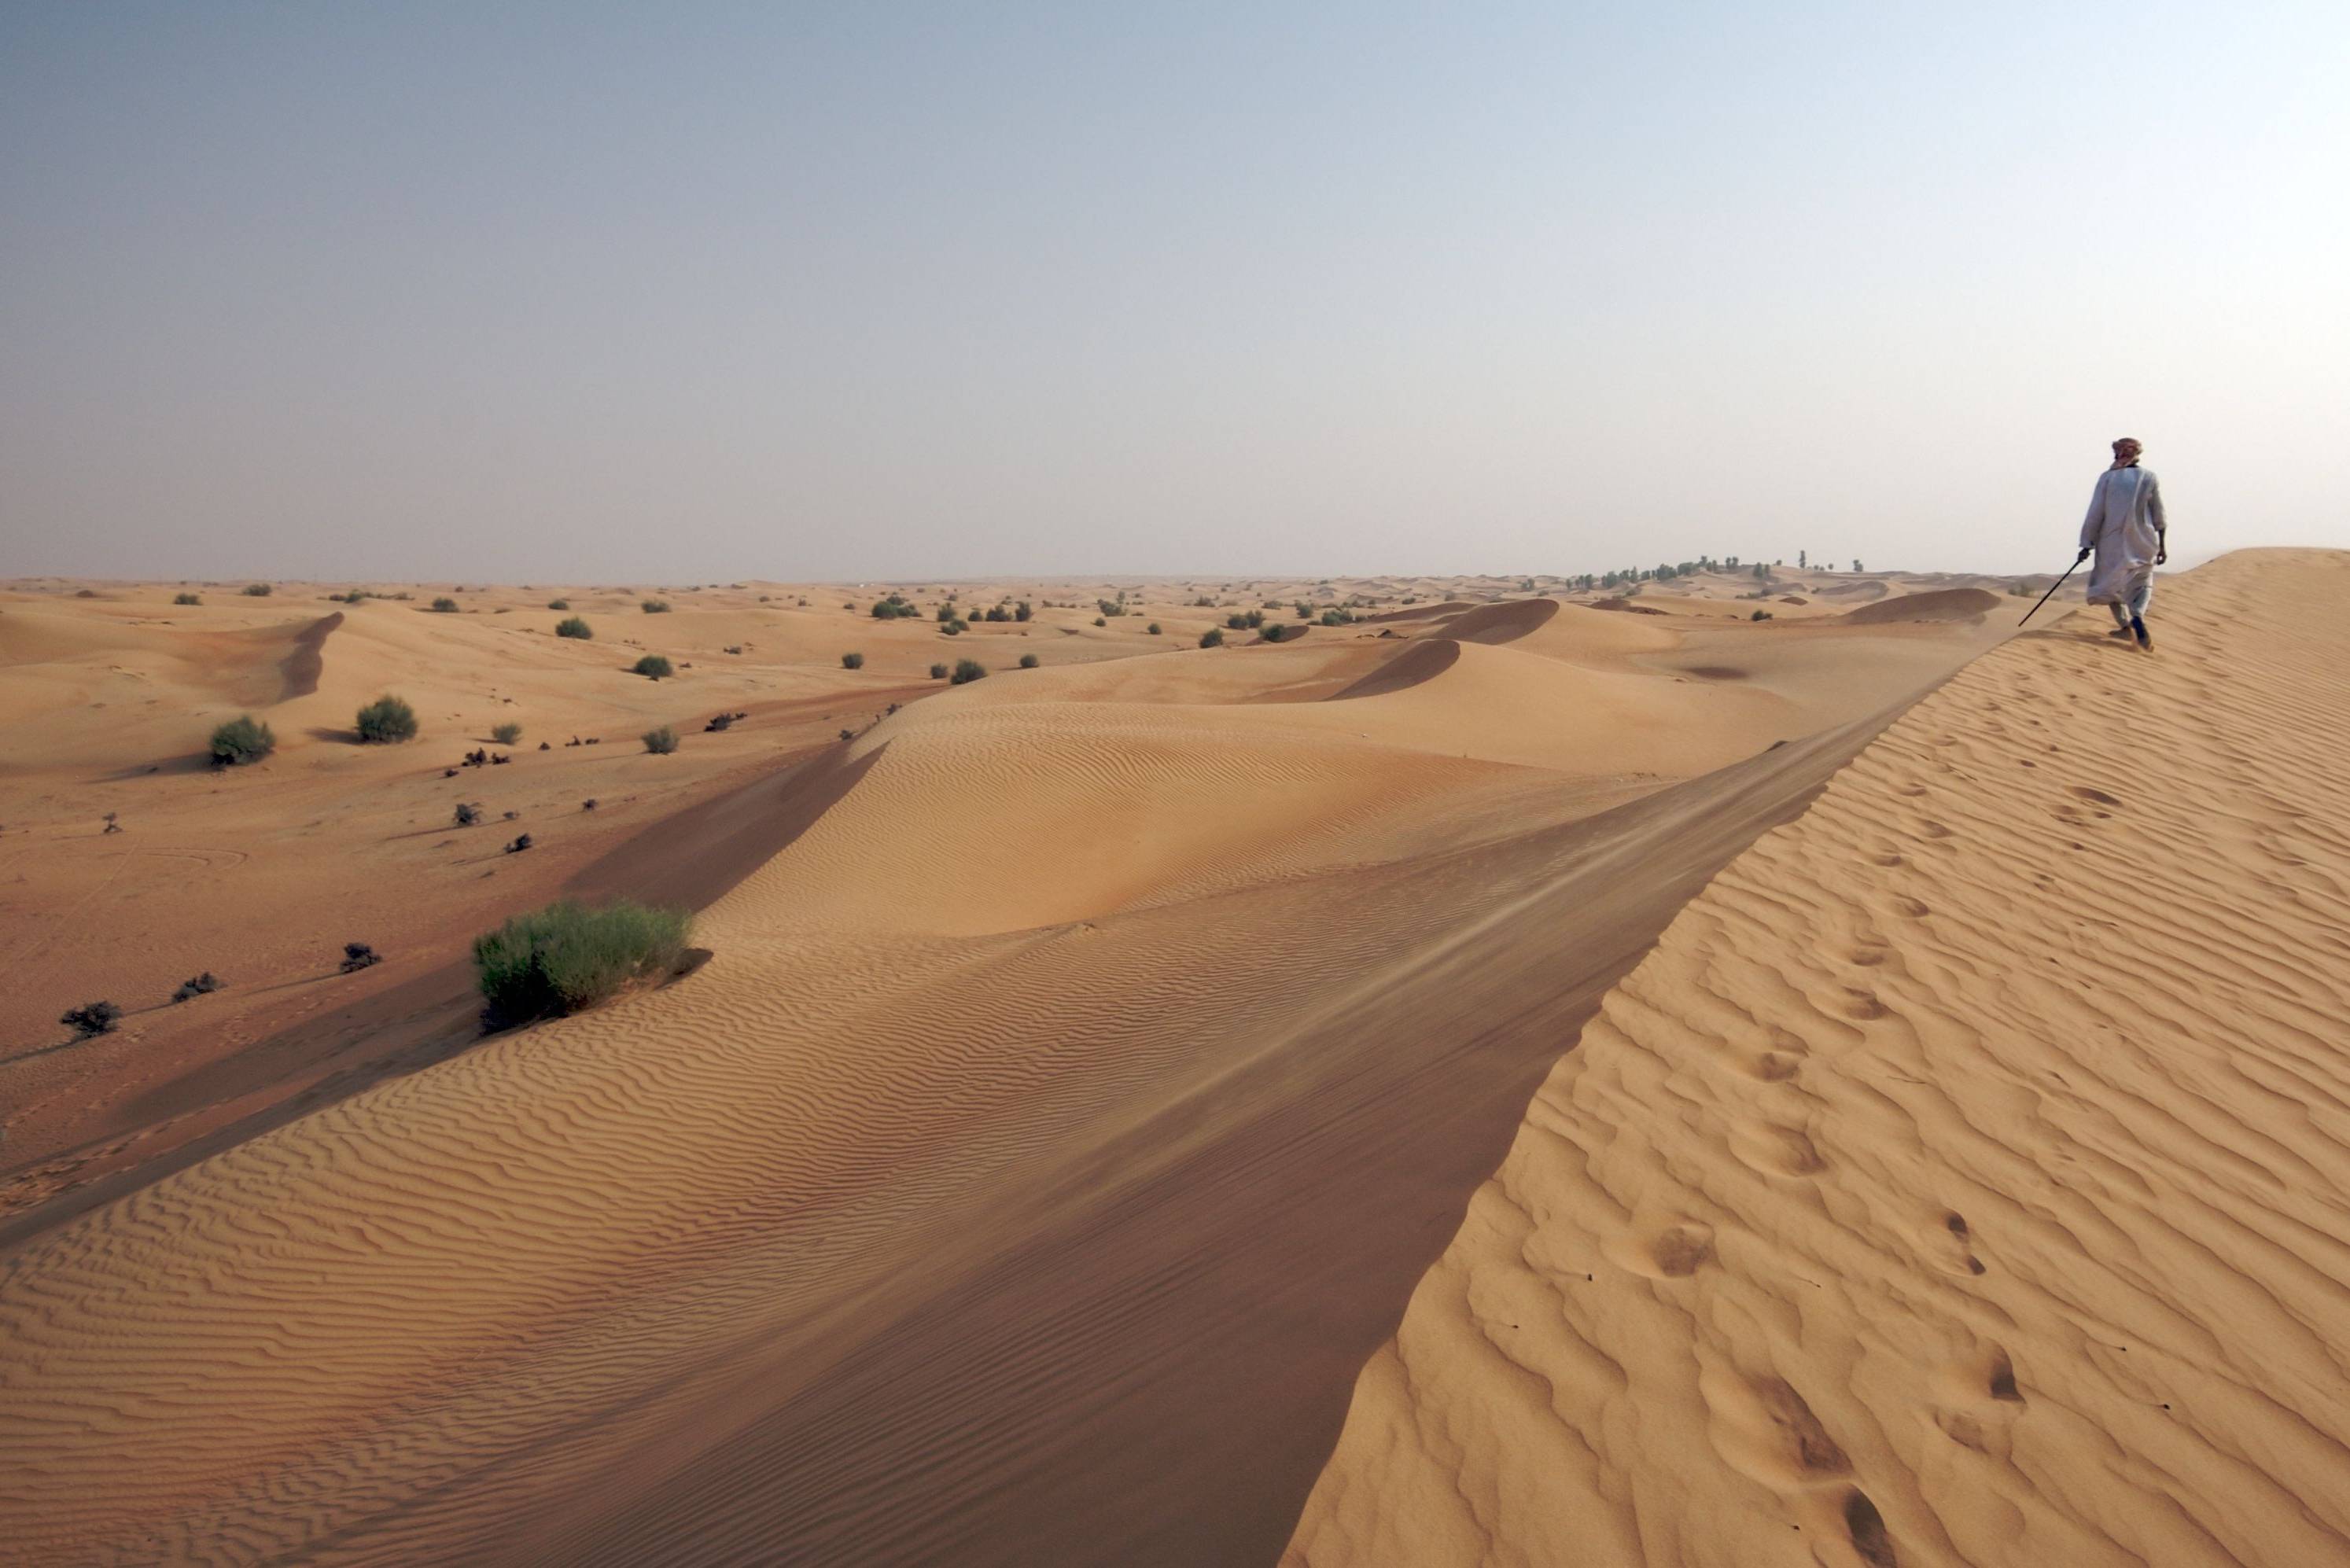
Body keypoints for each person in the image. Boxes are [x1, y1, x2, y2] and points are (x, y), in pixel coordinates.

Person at [2077, 436, 2168, 649]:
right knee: (2143, 582)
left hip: (2112, 542)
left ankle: (2126, 627)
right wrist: (2162, 545)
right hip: (2144, 540)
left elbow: (2095, 514)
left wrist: (2086, 544)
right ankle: (2137, 614)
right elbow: (2159, 513)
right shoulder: (2149, 477)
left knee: (2110, 583)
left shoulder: (2108, 478)